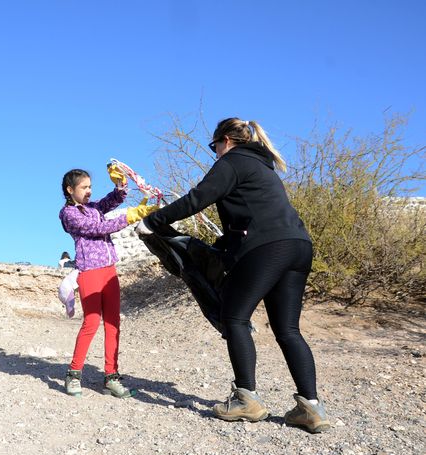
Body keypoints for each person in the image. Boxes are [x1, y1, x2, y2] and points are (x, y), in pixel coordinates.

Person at [137, 117, 330, 433]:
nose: (214, 152)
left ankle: (246, 400)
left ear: (225, 140)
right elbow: (245, 222)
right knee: (288, 329)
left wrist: (153, 221)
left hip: (267, 247)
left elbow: (197, 199)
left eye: (214, 146)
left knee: (234, 318)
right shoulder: (263, 168)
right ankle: (312, 408)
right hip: (298, 246)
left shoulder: (233, 162)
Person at [59, 166, 158, 398]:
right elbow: (97, 228)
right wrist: (131, 216)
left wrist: (120, 186)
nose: (89, 191)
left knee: (113, 323)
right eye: (84, 187)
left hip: (109, 270)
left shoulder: (93, 208)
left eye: (90, 187)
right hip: (89, 272)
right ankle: (74, 374)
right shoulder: (68, 214)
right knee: (91, 323)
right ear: (70, 190)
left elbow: (110, 202)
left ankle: (111, 377)